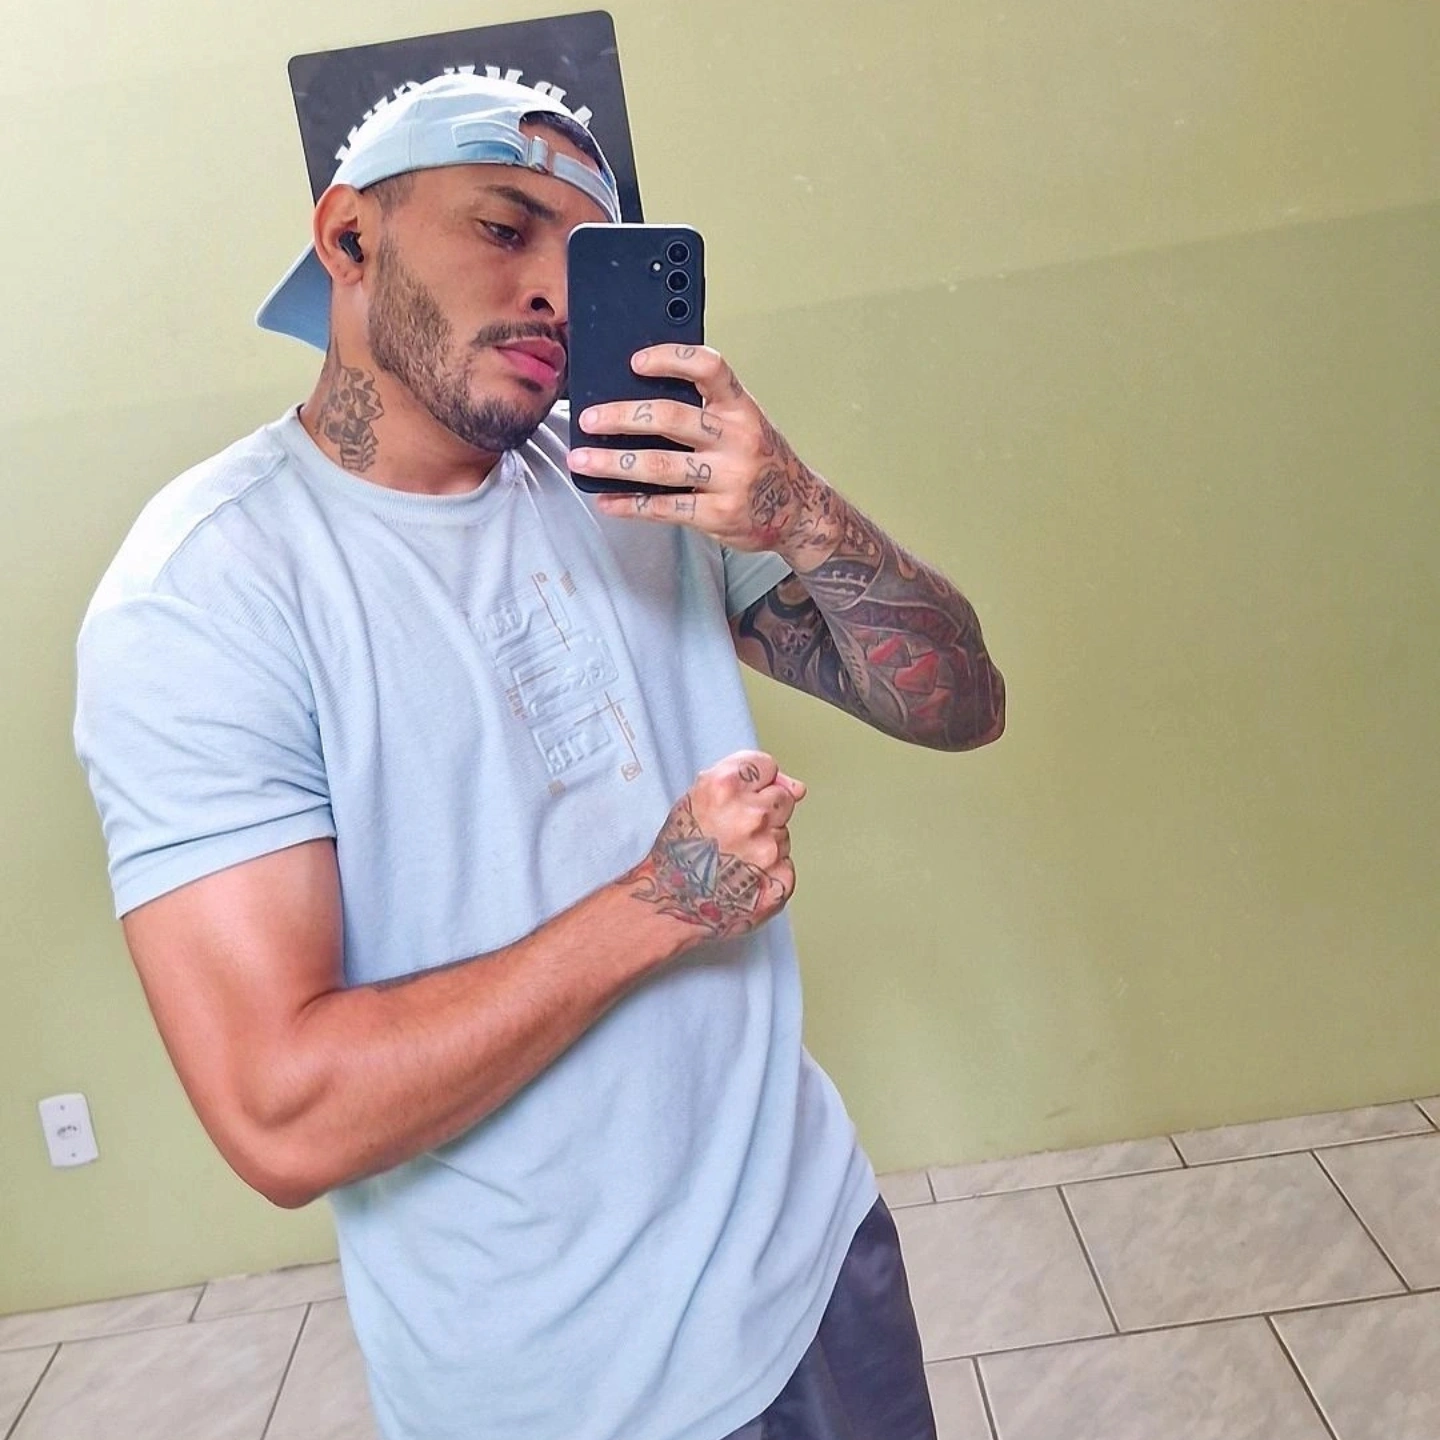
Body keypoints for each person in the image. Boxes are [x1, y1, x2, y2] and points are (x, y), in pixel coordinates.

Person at [74, 73, 1004, 1440]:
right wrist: (664, 901)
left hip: (816, 1254)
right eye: (504, 229)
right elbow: (284, 1119)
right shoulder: (207, 593)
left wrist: (798, 508)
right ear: (349, 237)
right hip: (569, 1386)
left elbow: (960, 705)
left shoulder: (626, 474)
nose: (555, 292)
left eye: (588, 258)